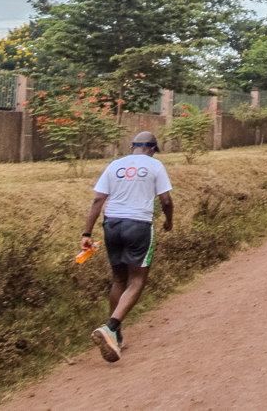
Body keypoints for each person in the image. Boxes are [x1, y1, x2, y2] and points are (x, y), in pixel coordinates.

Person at [81, 131, 173, 363]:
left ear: (133, 147)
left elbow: (98, 200)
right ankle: (111, 327)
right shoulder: (155, 165)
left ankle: (116, 334)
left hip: (112, 224)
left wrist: (87, 233)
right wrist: (169, 220)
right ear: (151, 149)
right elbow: (166, 200)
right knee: (137, 280)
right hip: (139, 225)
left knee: (118, 279)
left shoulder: (114, 165)